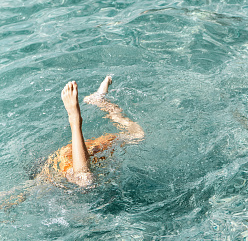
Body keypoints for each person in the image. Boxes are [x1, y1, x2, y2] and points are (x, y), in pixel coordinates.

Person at [1, 76, 144, 208]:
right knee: (137, 135)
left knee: (84, 180)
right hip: (75, 157)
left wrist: (75, 118)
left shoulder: (49, 176)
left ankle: (81, 115)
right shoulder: (48, 177)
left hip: (69, 161)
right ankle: (99, 101)